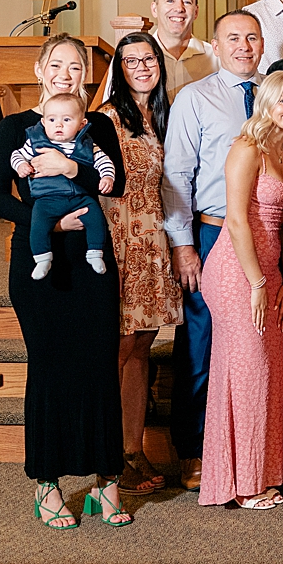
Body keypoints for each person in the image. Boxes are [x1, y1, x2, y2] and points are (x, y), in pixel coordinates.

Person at [0, 33, 130, 529]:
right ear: (41, 68)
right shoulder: (16, 127)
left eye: (76, 69)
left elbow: (119, 185)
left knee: (98, 366)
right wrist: (42, 222)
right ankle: (48, 485)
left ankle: (107, 483)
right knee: (49, 368)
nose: (67, 75)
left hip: (93, 262)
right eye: (58, 66)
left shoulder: (97, 127)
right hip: (39, 258)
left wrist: (71, 166)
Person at [162, 9, 267, 491]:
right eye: (234, 39)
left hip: (268, 230)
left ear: (263, 43)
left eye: (252, 37)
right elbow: (177, 177)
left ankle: (255, 449)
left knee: (262, 342)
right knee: (203, 343)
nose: (244, 46)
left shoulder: (277, 93)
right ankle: (195, 448)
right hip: (213, 231)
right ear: (216, 47)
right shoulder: (195, 97)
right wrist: (183, 245)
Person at [198, 72, 283, 509]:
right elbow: (238, 220)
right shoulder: (248, 148)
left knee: (267, 373)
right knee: (248, 373)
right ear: (265, 102)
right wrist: (258, 282)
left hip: (269, 273)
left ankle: (259, 474)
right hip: (234, 270)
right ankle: (242, 484)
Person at [99, 32, 183, 497]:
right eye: (130, 60)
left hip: (157, 237)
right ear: (119, 69)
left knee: (143, 346)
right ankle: (110, 454)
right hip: (120, 236)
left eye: (148, 58)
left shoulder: (168, 115)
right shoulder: (108, 118)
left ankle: (133, 449)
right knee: (122, 346)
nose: (142, 66)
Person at [9, 93, 116, 278]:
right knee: (38, 223)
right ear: (43, 122)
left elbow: (105, 162)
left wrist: (107, 177)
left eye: (67, 119)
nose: (59, 125)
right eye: (52, 119)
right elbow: (16, 155)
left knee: (96, 217)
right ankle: (42, 259)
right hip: (47, 199)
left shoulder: (87, 144)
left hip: (79, 198)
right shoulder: (34, 142)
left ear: (81, 124)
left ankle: (95, 253)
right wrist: (21, 165)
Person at [94, 0, 217, 107]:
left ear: (196, 11)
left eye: (187, 2)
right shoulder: (130, 58)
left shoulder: (215, 57)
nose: (179, 8)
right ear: (154, 9)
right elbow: (113, 108)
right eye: (170, 1)